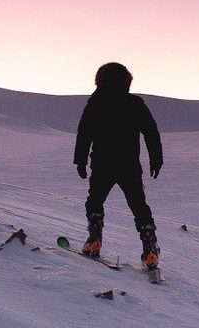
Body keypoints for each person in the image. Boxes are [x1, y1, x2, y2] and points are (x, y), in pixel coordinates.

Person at [73, 62, 164, 269]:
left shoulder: (95, 103)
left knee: (95, 201)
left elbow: (84, 132)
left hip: (102, 163)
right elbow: (151, 131)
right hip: (129, 165)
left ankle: (94, 239)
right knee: (139, 207)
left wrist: (80, 159)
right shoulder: (135, 103)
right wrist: (156, 158)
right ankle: (150, 249)